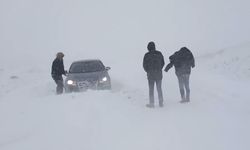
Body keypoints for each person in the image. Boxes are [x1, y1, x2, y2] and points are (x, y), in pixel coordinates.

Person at [143, 41, 165, 108]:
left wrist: (148, 71)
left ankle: (152, 103)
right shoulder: (159, 53)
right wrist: (159, 69)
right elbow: (163, 63)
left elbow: (144, 65)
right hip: (159, 74)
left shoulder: (146, 55)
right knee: (159, 88)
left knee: (151, 89)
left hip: (151, 75)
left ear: (148, 48)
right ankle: (161, 103)